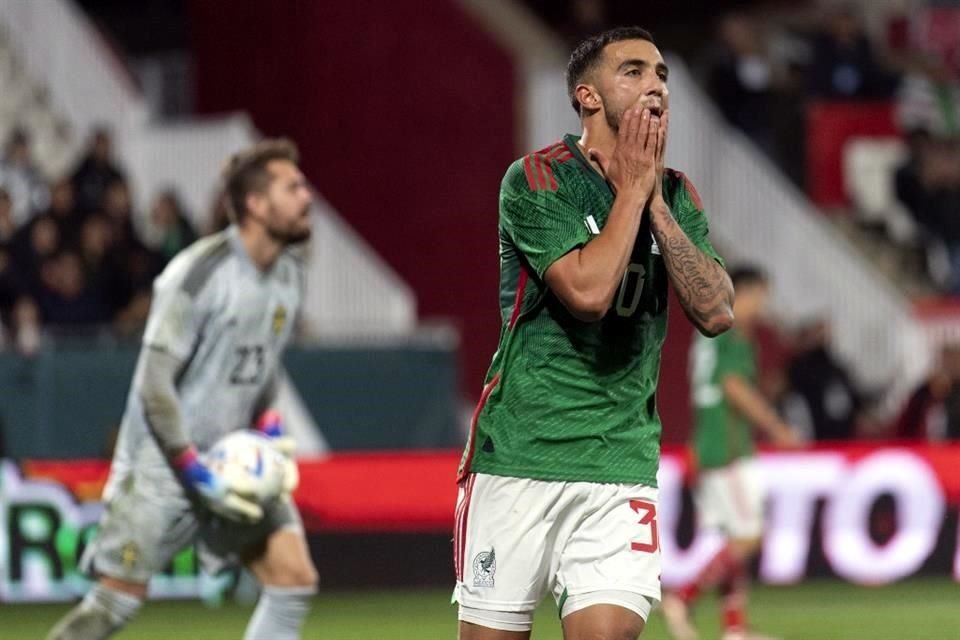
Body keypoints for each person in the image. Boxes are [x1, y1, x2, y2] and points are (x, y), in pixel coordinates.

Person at [453, 26, 734, 640]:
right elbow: (586, 293)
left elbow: (716, 313)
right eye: (633, 71)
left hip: (619, 462)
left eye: (661, 74)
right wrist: (633, 191)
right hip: (520, 458)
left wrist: (654, 200)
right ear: (587, 96)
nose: (655, 86)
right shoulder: (536, 180)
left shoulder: (677, 194)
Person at [45, 138, 318, 640]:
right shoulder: (197, 274)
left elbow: (262, 365)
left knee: (293, 580)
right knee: (114, 605)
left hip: (232, 463)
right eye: (292, 187)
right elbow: (153, 384)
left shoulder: (290, 274)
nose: (307, 196)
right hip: (163, 467)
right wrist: (192, 466)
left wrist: (270, 425)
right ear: (256, 205)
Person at [662, 265, 800, 640]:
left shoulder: (708, 327)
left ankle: (734, 628)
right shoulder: (733, 331)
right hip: (728, 448)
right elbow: (734, 385)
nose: (762, 305)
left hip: (707, 442)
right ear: (745, 292)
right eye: (761, 296)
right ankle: (683, 597)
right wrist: (777, 427)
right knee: (748, 537)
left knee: (734, 539)